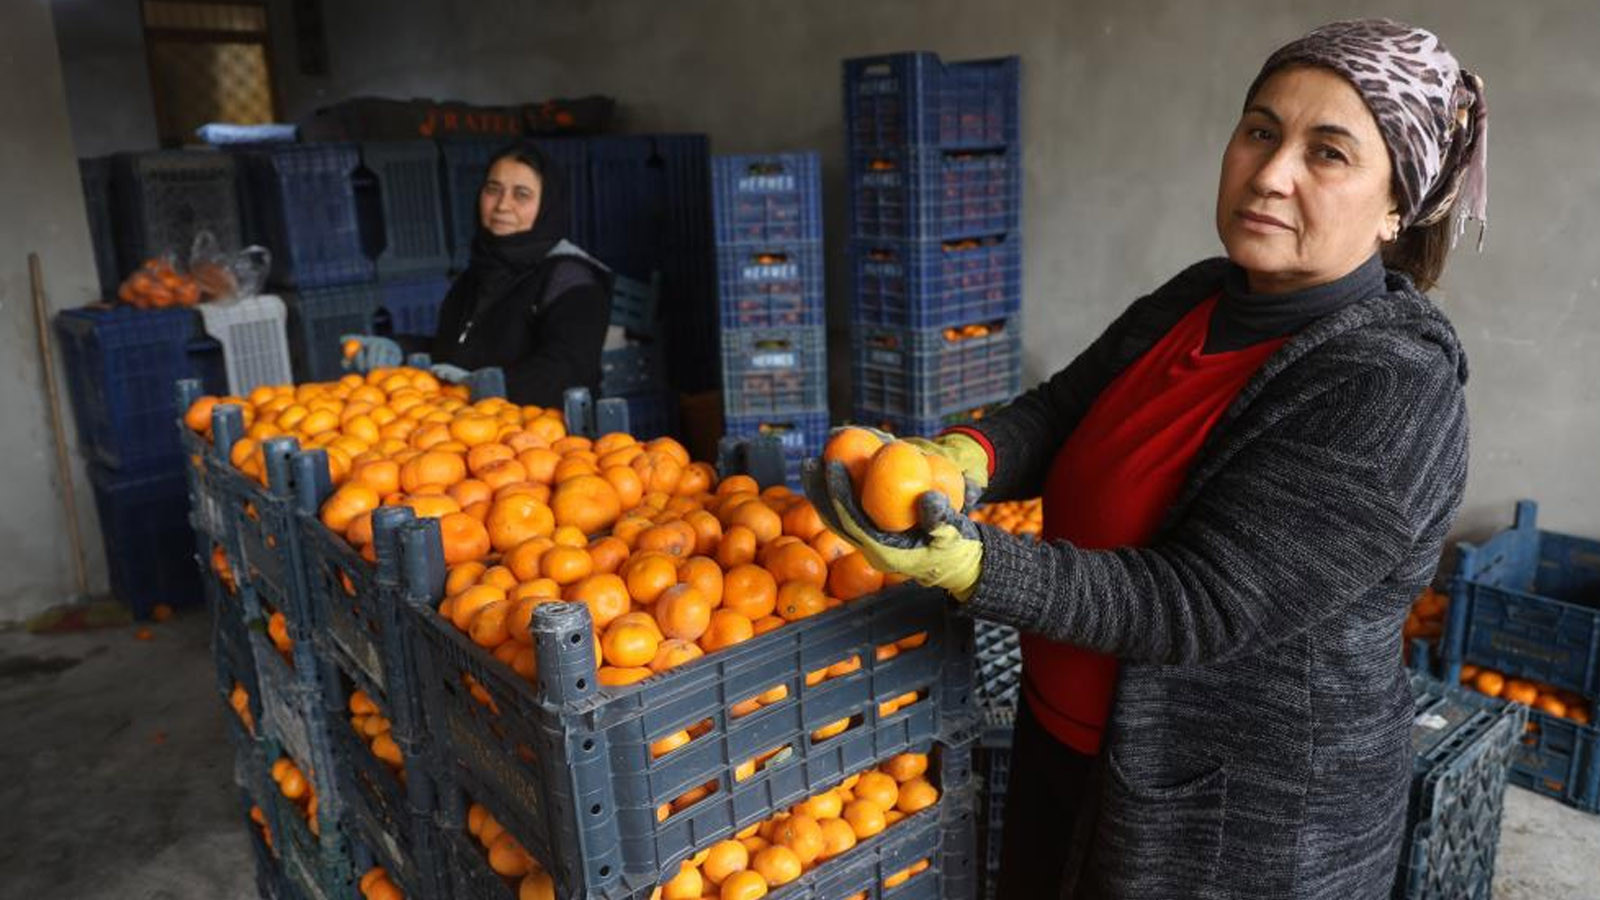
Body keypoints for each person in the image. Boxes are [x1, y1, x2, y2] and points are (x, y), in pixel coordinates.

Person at [804, 18, 1487, 899]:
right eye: (1260, 131)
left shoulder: (1391, 389)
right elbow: (1059, 411)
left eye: (1328, 154)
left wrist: (975, 565)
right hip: (1065, 741)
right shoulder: (1200, 294)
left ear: (1396, 207)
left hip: (1231, 824)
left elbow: (1197, 602)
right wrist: (962, 460)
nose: (1271, 174)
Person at [345, 140, 612, 405]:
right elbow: (454, 354)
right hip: (470, 430)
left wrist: (485, 387)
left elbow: (567, 373)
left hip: (541, 437)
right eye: (493, 189)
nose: (502, 205)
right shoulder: (478, 273)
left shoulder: (570, 280)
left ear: (548, 206)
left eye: (521, 194)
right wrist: (397, 350)